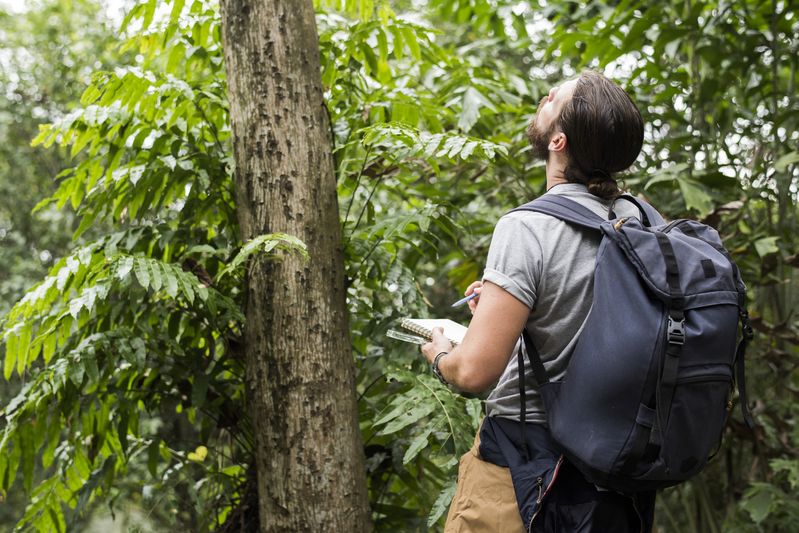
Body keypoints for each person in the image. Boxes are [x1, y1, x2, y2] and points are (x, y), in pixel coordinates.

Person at [421, 70, 657, 532]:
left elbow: (474, 373)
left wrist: (441, 355)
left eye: (555, 99)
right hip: (618, 470)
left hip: (523, 466)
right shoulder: (644, 218)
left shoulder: (527, 227)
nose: (545, 95)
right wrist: (506, 309)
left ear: (558, 142)